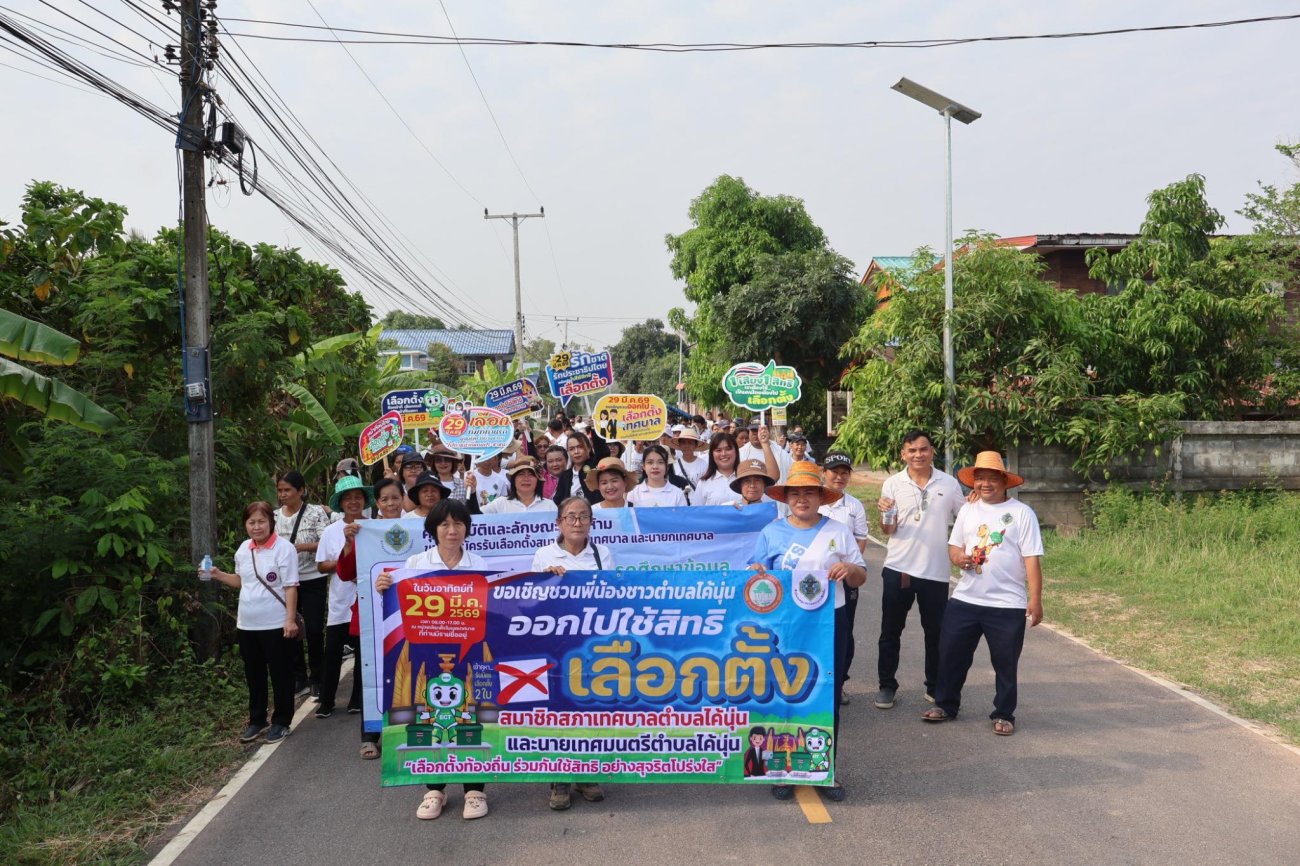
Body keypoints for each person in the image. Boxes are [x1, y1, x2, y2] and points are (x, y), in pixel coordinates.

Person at [749, 461, 867, 802]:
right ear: (786, 498)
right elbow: (757, 580)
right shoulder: (771, 532)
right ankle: (780, 767)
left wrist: (849, 569)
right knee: (784, 693)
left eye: (809, 493)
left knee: (825, 694)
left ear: (821, 497)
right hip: (784, 627)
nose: (802, 499)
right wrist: (756, 572)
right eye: (796, 493)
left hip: (831, 622)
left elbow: (861, 575)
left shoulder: (838, 531)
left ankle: (823, 768)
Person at [376, 499, 491, 820]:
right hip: (425, 654)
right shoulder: (415, 564)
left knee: (470, 716)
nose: (452, 531)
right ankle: (434, 789)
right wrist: (385, 586)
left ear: (467, 528)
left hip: (469, 654)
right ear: (433, 530)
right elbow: (398, 604)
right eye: (444, 525)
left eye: (458, 524)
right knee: (426, 716)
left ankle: (474, 791)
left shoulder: (480, 564)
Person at [923, 452, 1043, 736]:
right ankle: (945, 704)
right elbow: (954, 547)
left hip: (1007, 604)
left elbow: (1032, 559)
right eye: (980, 478)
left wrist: (1035, 599)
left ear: (1004, 481)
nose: (985, 484)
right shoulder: (968, 510)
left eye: (992, 478)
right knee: (951, 654)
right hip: (966, 598)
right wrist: (958, 558)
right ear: (973, 482)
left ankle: (1004, 713)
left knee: (1005, 663)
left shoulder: (1022, 513)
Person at [531, 497, 614, 811]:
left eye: (583, 517)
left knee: (590, 709)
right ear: (559, 523)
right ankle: (559, 778)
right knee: (560, 711)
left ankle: (586, 773)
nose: (577, 522)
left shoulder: (602, 554)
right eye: (571, 517)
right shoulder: (543, 555)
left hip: (592, 645)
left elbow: (613, 597)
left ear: (591, 521)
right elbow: (531, 603)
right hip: (556, 645)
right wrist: (547, 581)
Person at [874, 430, 965, 709]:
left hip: (935, 571)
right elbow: (887, 529)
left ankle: (934, 686)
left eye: (923, 449)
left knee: (936, 633)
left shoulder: (949, 484)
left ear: (932, 451)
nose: (918, 455)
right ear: (903, 454)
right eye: (911, 450)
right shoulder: (892, 483)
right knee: (890, 631)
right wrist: (885, 512)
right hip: (898, 569)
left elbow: (965, 519)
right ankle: (887, 686)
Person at [204, 501, 301, 744]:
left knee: (281, 674)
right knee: (254, 674)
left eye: (261, 521)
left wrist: (290, 620)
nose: (256, 527)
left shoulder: (284, 549)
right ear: (245, 525)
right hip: (247, 625)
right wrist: (218, 575)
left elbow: (290, 587)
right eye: (251, 522)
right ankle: (257, 720)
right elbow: (242, 581)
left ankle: (281, 721)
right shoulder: (243, 550)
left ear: (271, 522)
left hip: (276, 624)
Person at [315, 475, 375, 720]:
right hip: (341, 601)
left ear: (365, 500)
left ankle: (358, 700)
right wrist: (344, 564)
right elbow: (321, 566)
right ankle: (326, 701)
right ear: (340, 503)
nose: (353, 502)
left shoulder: (374, 526)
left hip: (367, 600)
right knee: (332, 653)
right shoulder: (331, 531)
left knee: (364, 654)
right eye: (347, 498)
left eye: (357, 497)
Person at [274, 470, 334, 700]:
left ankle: (318, 676)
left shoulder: (315, 513)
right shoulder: (274, 516)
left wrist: (301, 547)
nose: (283, 495)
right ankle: (299, 676)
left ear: (301, 490)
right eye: (280, 490)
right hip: (286, 582)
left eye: (288, 490)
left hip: (312, 578)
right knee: (291, 630)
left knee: (314, 628)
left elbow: (326, 541)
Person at [818, 453, 872, 705]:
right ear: (823, 472)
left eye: (844, 473)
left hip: (844, 580)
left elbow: (860, 538)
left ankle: (839, 683)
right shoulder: (812, 500)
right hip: (812, 582)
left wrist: (849, 564)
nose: (839, 477)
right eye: (833, 472)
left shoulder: (854, 506)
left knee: (844, 631)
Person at [551, 430, 611, 506]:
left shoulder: (596, 466)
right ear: (568, 452)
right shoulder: (565, 475)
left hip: (595, 515)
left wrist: (594, 428)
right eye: (571, 449)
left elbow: (603, 452)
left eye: (580, 447)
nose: (576, 452)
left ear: (589, 448)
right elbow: (558, 501)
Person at [481, 457, 558, 514]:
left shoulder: (549, 506)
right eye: (521, 474)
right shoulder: (500, 504)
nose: (526, 479)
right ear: (513, 480)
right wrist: (473, 492)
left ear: (537, 480)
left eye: (531, 475)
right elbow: (476, 516)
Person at [691, 432, 740, 506]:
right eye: (718, 450)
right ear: (712, 454)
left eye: (728, 449)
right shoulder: (704, 483)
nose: (723, 454)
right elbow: (696, 513)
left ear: (736, 451)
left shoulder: (746, 479)